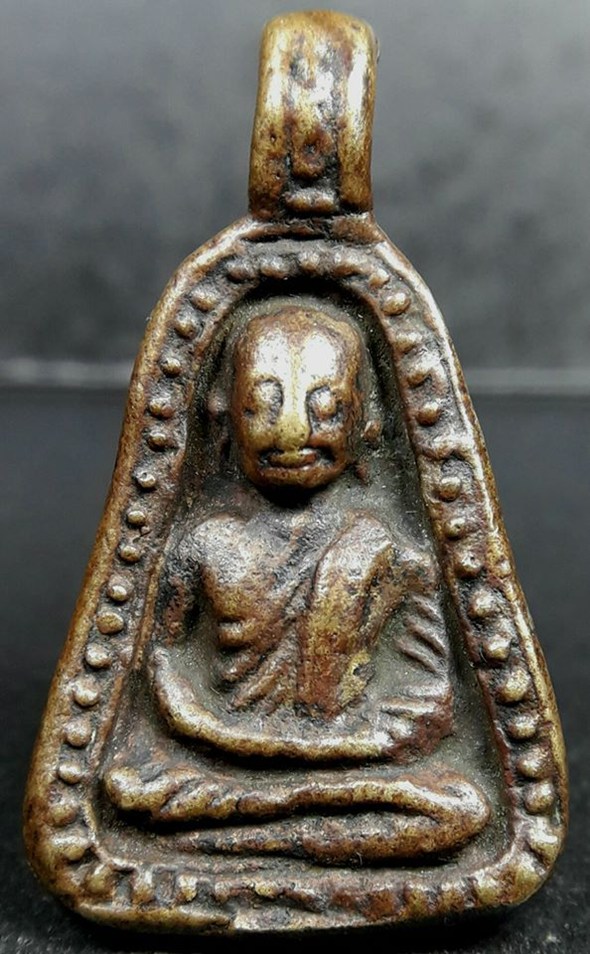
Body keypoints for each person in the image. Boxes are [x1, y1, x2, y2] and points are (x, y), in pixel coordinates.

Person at [105, 305, 490, 862]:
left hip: (347, 767)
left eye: (325, 408)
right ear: (224, 419)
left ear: (367, 424)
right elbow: (159, 662)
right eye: (262, 407)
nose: (292, 433)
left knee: (461, 808)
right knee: (126, 790)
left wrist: (333, 750)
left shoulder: (393, 556)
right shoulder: (204, 544)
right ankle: (296, 838)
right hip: (222, 763)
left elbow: (431, 707)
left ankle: (234, 843)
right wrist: (214, 732)